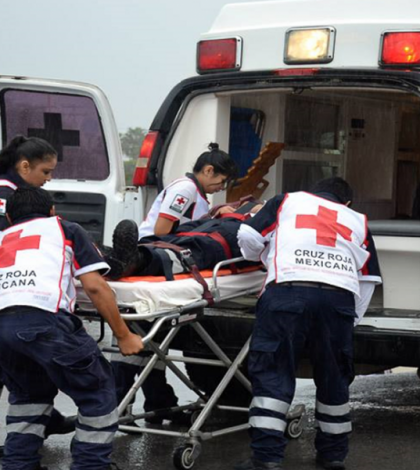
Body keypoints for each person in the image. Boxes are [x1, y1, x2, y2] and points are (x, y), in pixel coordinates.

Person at [234, 177, 382, 470]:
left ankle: (266, 459)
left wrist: (263, 256)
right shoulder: (358, 220)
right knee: (334, 378)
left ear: (312, 193)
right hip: (338, 299)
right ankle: (334, 456)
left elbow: (248, 234)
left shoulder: (288, 200)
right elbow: (367, 281)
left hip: (287, 291)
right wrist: (349, 321)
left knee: (273, 372)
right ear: (347, 203)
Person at [0, 187, 144, 470]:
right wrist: (124, 335)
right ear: (53, 211)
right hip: (43, 319)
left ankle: (17, 464)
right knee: (98, 391)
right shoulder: (65, 229)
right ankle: (91, 465)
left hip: (2, 328)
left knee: (29, 396)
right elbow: (94, 285)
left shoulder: (2, 237)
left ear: (8, 216)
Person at [105, 203, 261, 423]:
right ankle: (125, 258)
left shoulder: (258, 225)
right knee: (169, 243)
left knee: (193, 251)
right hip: (193, 235)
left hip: (216, 242)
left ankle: (126, 261)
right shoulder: (222, 215)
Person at [0, 135, 72, 459]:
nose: (49, 179)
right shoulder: (6, 196)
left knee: (21, 363)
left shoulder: (11, 192)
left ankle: (43, 417)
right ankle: (36, 422)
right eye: (45, 172)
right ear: (24, 166)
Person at [137, 142, 238, 239]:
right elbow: (161, 231)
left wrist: (214, 215)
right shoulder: (186, 188)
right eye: (222, 181)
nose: (221, 187)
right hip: (151, 248)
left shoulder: (196, 192)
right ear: (209, 170)